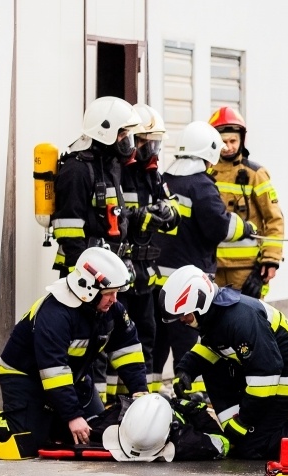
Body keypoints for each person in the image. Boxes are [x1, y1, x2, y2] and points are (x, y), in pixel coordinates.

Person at [0, 248, 147, 459]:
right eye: (109, 293)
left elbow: (128, 351)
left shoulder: (111, 310)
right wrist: (73, 415)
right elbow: (54, 369)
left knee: (95, 433)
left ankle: (53, 421)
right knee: (25, 442)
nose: (115, 299)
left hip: (72, 379)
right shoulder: (55, 314)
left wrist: (139, 392)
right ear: (88, 288)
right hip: (24, 377)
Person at [159, 265, 288, 460]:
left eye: (186, 314)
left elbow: (265, 377)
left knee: (255, 446)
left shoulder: (240, 319)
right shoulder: (216, 314)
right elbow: (213, 347)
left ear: (200, 304)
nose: (183, 320)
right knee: (240, 441)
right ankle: (244, 434)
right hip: (269, 373)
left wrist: (244, 421)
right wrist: (186, 370)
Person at [150, 121, 257, 394]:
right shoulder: (202, 186)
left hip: (157, 276)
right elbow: (217, 227)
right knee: (188, 340)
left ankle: (148, 392)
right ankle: (189, 395)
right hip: (187, 280)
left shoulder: (166, 179)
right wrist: (244, 227)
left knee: (157, 338)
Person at [101, 103, 179, 402]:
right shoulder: (117, 171)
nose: (151, 150)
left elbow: (172, 212)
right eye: (147, 142)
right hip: (120, 268)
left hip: (145, 273)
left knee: (146, 333)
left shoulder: (152, 173)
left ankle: (143, 398)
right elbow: (115, 218)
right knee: (113, 335)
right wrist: (141, 216)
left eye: (155, 143)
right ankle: (110, 400)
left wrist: (165, 213)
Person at [51, 96, 142, 276]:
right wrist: (86, 276)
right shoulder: (76, 169)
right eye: (122, 134)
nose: (126, 141)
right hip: (86, 274)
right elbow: (69, 229)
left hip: (110, 270)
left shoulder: (111, 167)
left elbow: (117, 217)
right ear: (105, 132)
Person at [208, 107, 285, 299]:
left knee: (248, 323)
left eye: (233, 141)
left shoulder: (255, 174)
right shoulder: (205, 173)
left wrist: (270, 260)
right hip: (211, 267)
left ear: (242, 140)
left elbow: (274, 220)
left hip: (247, 270)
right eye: (223, 142)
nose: (228, 147)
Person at [97, 394, 229, 462]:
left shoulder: (185, 441)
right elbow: (221, 443)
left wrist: (195, 414)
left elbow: (221, 444)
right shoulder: (185, 442)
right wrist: (199, 415)